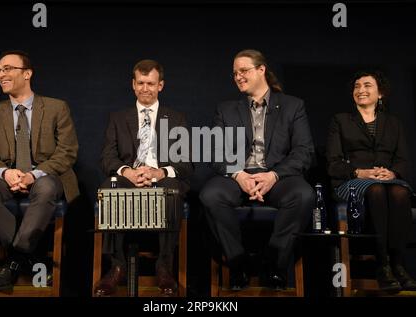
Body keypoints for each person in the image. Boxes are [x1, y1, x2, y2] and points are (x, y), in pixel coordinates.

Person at [199, 49, 315, 290]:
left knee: (303, 195)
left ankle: (274, 265)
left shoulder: (293, 106)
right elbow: (215, 151)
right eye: (234, 73)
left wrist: (273, 175)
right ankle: (237, 263)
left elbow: (303, 151)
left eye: (244, 70)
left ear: (261, 69)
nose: (238, 76)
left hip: (277, 175)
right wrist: (239, 174)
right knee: (210, 195)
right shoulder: (226, 109)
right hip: (236, 175)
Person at [0, 50, 79, 291]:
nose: (1, 74)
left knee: (47, 186)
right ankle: (33, 255)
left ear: (27, 73)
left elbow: (67, 152)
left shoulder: (56, 108)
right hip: (8, 177)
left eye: (8, 68)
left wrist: (33, 174)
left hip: (45, 175)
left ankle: (14, 260)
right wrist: (4, 173)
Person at [96, 59, 193, 296]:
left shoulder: (177, 118)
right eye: (140, 83)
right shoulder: (118, 118)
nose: (145, 89)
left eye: (150, 83)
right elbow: (107, 158)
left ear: (161, 85)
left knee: (172, 187)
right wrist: (128, 171)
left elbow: (187, 163)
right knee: (109, 188)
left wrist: (159, 172)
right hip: (130, 176)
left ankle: (164, 267)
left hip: (162, 178)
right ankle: (116, 266)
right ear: (133, 84)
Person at [326, 70, 416, 292]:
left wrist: (393, 173)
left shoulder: (393, 123)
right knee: (375, 190)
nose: (361, 90)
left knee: (400, 192)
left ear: (381, 93)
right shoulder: (341, 121)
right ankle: (382, 265)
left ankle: (399, 265)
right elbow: (333, 163)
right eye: (357, 86)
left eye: (367, 85)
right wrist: (360, 172)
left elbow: (403, 160)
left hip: (388, 181)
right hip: (353, 181)